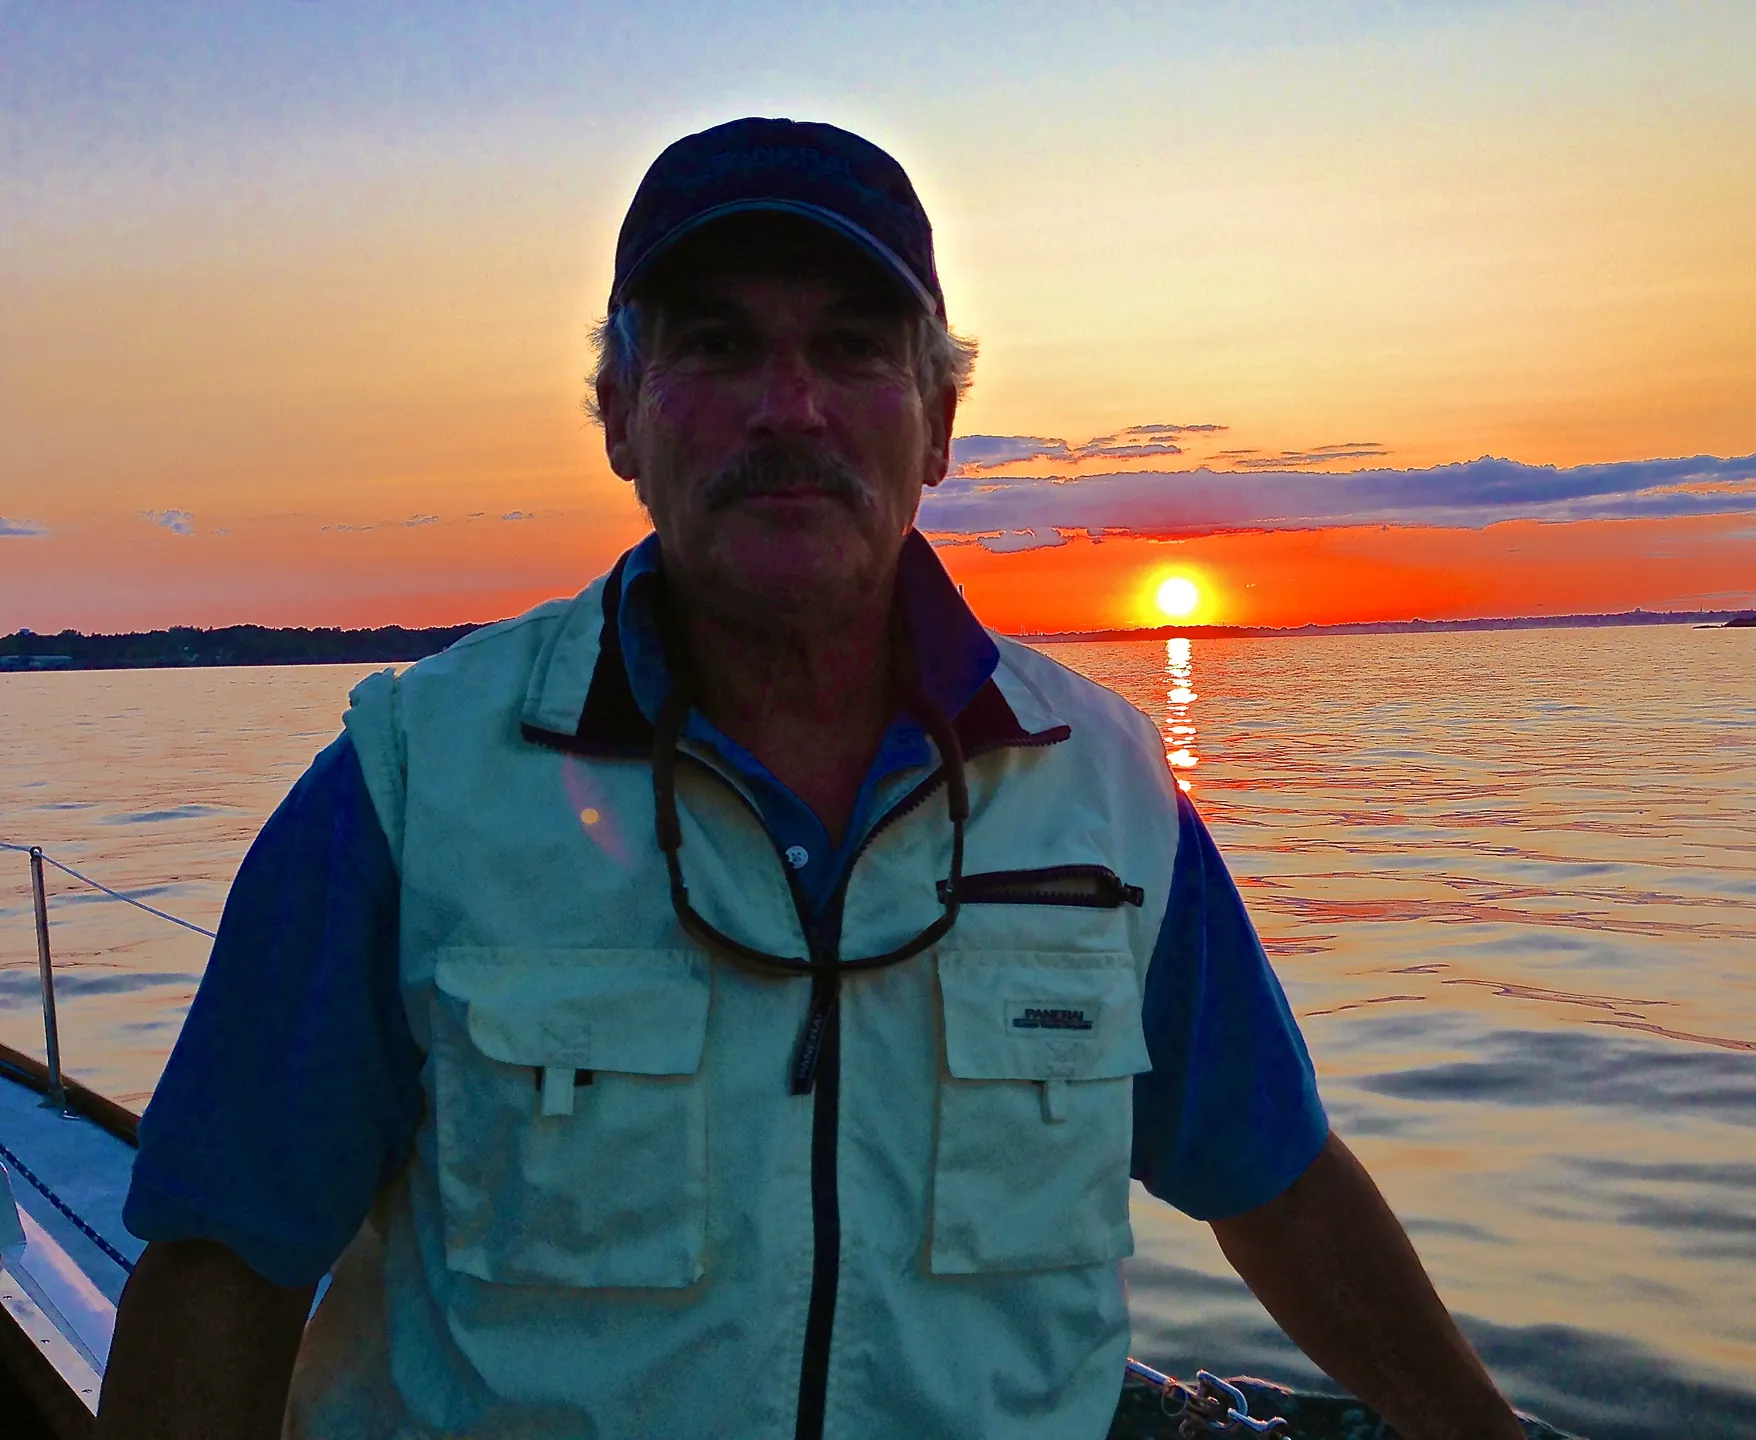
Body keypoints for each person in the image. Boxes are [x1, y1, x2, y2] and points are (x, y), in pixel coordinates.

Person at [98, 117, 1524, 1440]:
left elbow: (1273, 1183)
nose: (791, 407)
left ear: (940, 422)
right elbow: (226, 1261)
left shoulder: (1106, 792)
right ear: (619, 414)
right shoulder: (412, 786)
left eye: (854, 348)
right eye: (715, 347)